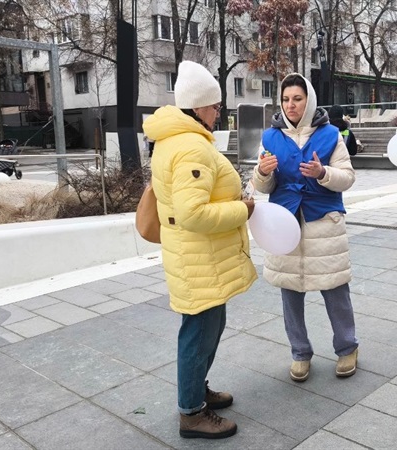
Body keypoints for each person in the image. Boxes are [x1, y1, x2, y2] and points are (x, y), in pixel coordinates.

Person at [142, 60, 257, 440]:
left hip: (197, 255)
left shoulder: (176, 139)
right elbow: (193, 213)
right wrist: (243, 208)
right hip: (199, 256)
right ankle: (191, 412)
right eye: (214, 106)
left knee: (208, 326)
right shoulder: (191, 146)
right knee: (199, 331)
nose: (218, 111)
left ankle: (196, 391)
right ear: (197, 108)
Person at [252, 73, 359, 382]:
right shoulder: (271, 137)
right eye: (286, 99)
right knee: (290, 292)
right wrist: (262, 172)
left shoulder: (330, 134)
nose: (291, 105)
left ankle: (347, 347)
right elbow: (262, 184)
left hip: (322, 223)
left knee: (335, 289)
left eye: (297, 99)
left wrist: (322, 172)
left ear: (308, 100)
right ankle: (300, 352)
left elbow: (348, 177)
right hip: (283, 224)